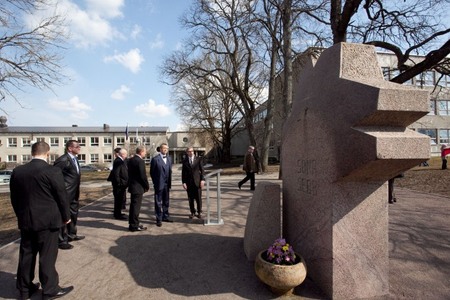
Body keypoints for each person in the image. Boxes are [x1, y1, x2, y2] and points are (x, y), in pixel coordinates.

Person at [10, 141, 74, 299]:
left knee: (26, 255)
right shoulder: (52, 171)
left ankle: (24, 290)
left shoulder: (18, 171)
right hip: (48, 221)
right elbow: (61, 196)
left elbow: (14, 198)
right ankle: (50, 289)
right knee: (47, 256)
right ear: (47, 153)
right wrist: (66, 217)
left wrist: (21, 215)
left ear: (32, 152)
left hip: (26, 220)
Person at [53, 140, 85, 250]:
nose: (79, 148)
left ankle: (72, 234)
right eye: (77, 146)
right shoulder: (62, 160)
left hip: (74, 193)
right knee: (64, 216)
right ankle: (62, 240)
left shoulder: (74, 159)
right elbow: (55, 176)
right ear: (70, 148)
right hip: (65, 193)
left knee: (73, 214)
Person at [150, 143, 173, 227]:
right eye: (164, 148)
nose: (165, 150)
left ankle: (165, 216)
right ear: (160, 149)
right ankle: (158, 219)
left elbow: (169, 171)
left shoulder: (170, 158)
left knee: (166, 201)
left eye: (167, 148)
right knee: (158, 202)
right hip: (159, 184)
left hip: (167, 184)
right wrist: (155, 182)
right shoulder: (155, 159)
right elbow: (152, 172)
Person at [127, 146, 149, 232]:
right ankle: (134, 225)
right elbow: (142, 176)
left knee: (133, 206)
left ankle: (133, 223)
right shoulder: (140, 161)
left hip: (132, 186)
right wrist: (146, 186)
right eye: (145, 152)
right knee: (136, 207)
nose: (145, 153)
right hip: (138, 187)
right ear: (141, 152)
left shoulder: (131, 160)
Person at [181, 147, 205, 219]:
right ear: (187, 152)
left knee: (198, 198)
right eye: (189, 151)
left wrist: (202, 180)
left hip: (197, 182)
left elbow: (202, 170)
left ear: (193, 152)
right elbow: (183, 173)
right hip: (189, 183)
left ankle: (199, 212)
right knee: (190, 199)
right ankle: (192, 212)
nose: (190, 152)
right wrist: (183, 182)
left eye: (192, 151)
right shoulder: (185, 161)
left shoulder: (198, 159)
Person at [108, 148, 128, 220]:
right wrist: (119, 183)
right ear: (122, 154)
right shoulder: (118, 161)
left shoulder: (120, 160)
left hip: (122, 183)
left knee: (120, 199)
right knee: (118, 199)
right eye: (125, 154)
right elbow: (116, 173)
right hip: (119, 185)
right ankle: (117, 214)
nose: (126, 155)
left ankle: (118, 212)